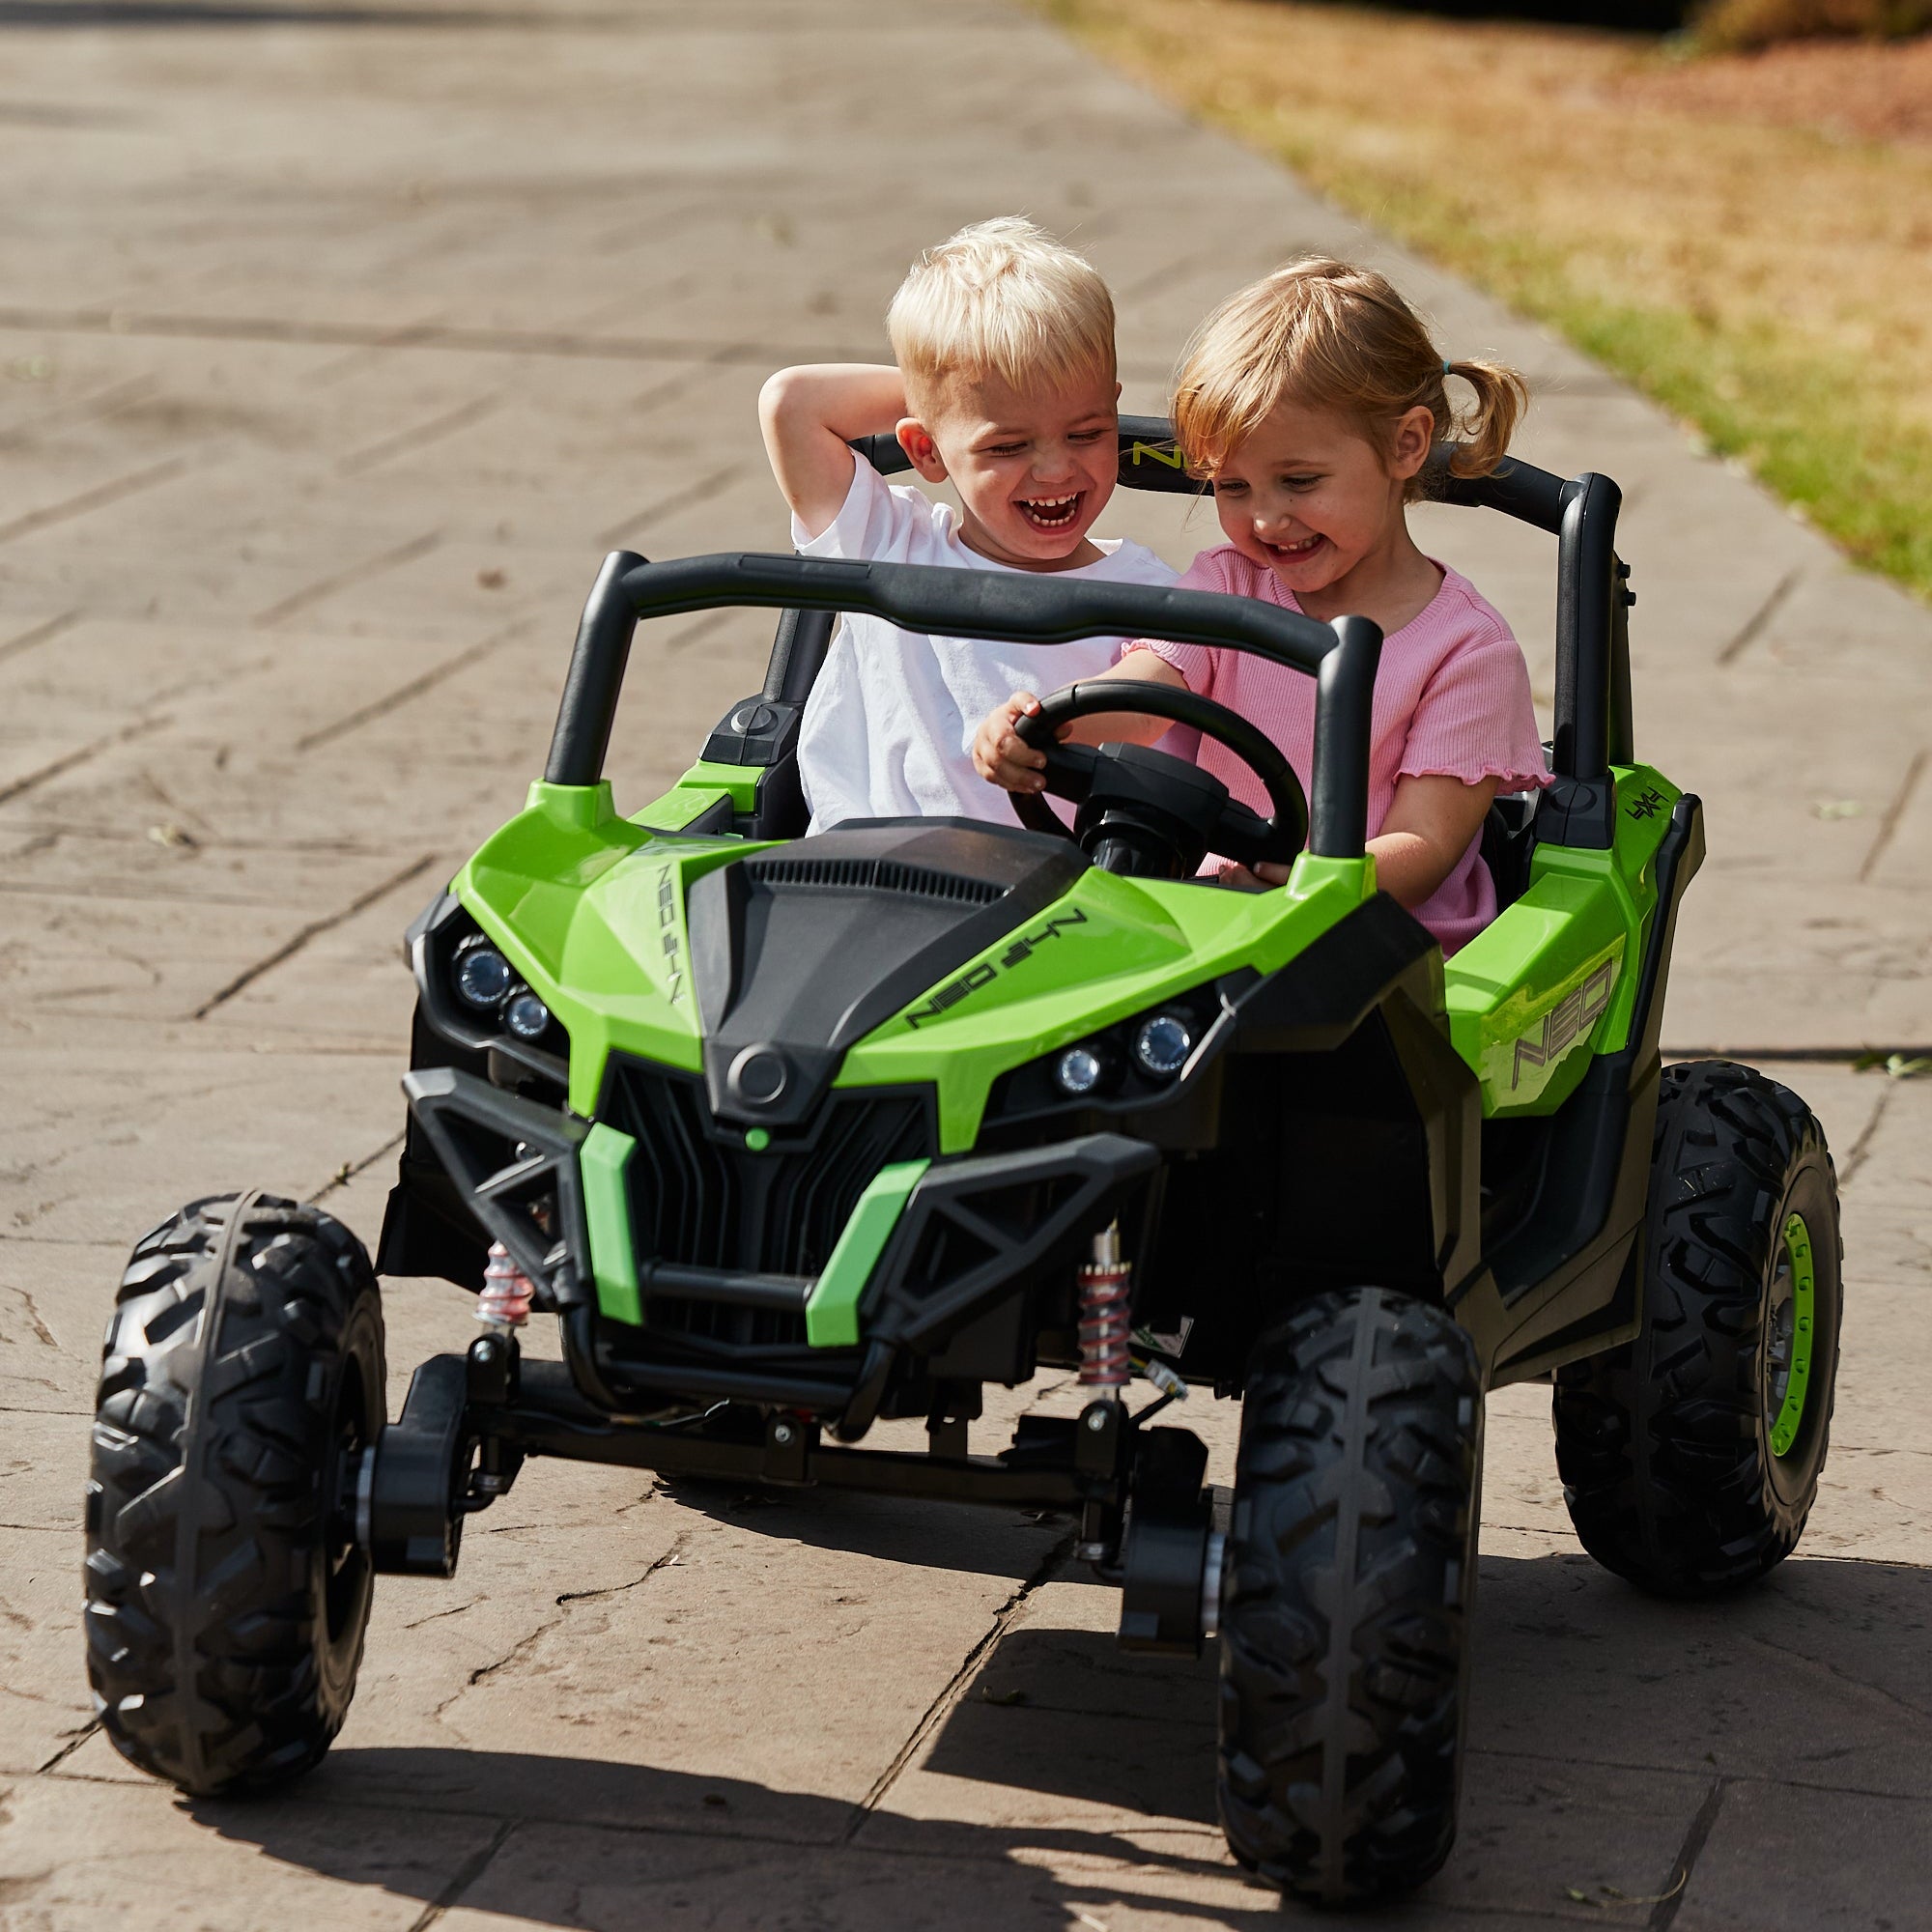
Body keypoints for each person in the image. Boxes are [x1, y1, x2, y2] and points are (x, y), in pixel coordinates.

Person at [973, 257, 1548, 954]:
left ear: (1406, 444)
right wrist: (1046, 727)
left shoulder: (1464, 650)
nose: (1267, 521)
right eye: (1233, 488)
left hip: (1384, 951)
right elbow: (1145, 692)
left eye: (1299, 481)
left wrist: (1309, 880)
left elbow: (1423, 846)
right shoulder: (1228, 585)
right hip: (1213, 921)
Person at [758, 216, 1177, 832]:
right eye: (1007, 446)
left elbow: (1161, 730)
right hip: (863, 877)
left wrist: (990, 404)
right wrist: (948, 388)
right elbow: (791, 404)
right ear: (925, 451)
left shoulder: (1152, 593)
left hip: (1067, 901)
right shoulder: (889, 544)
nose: (1057, 469)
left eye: (1087, 433)